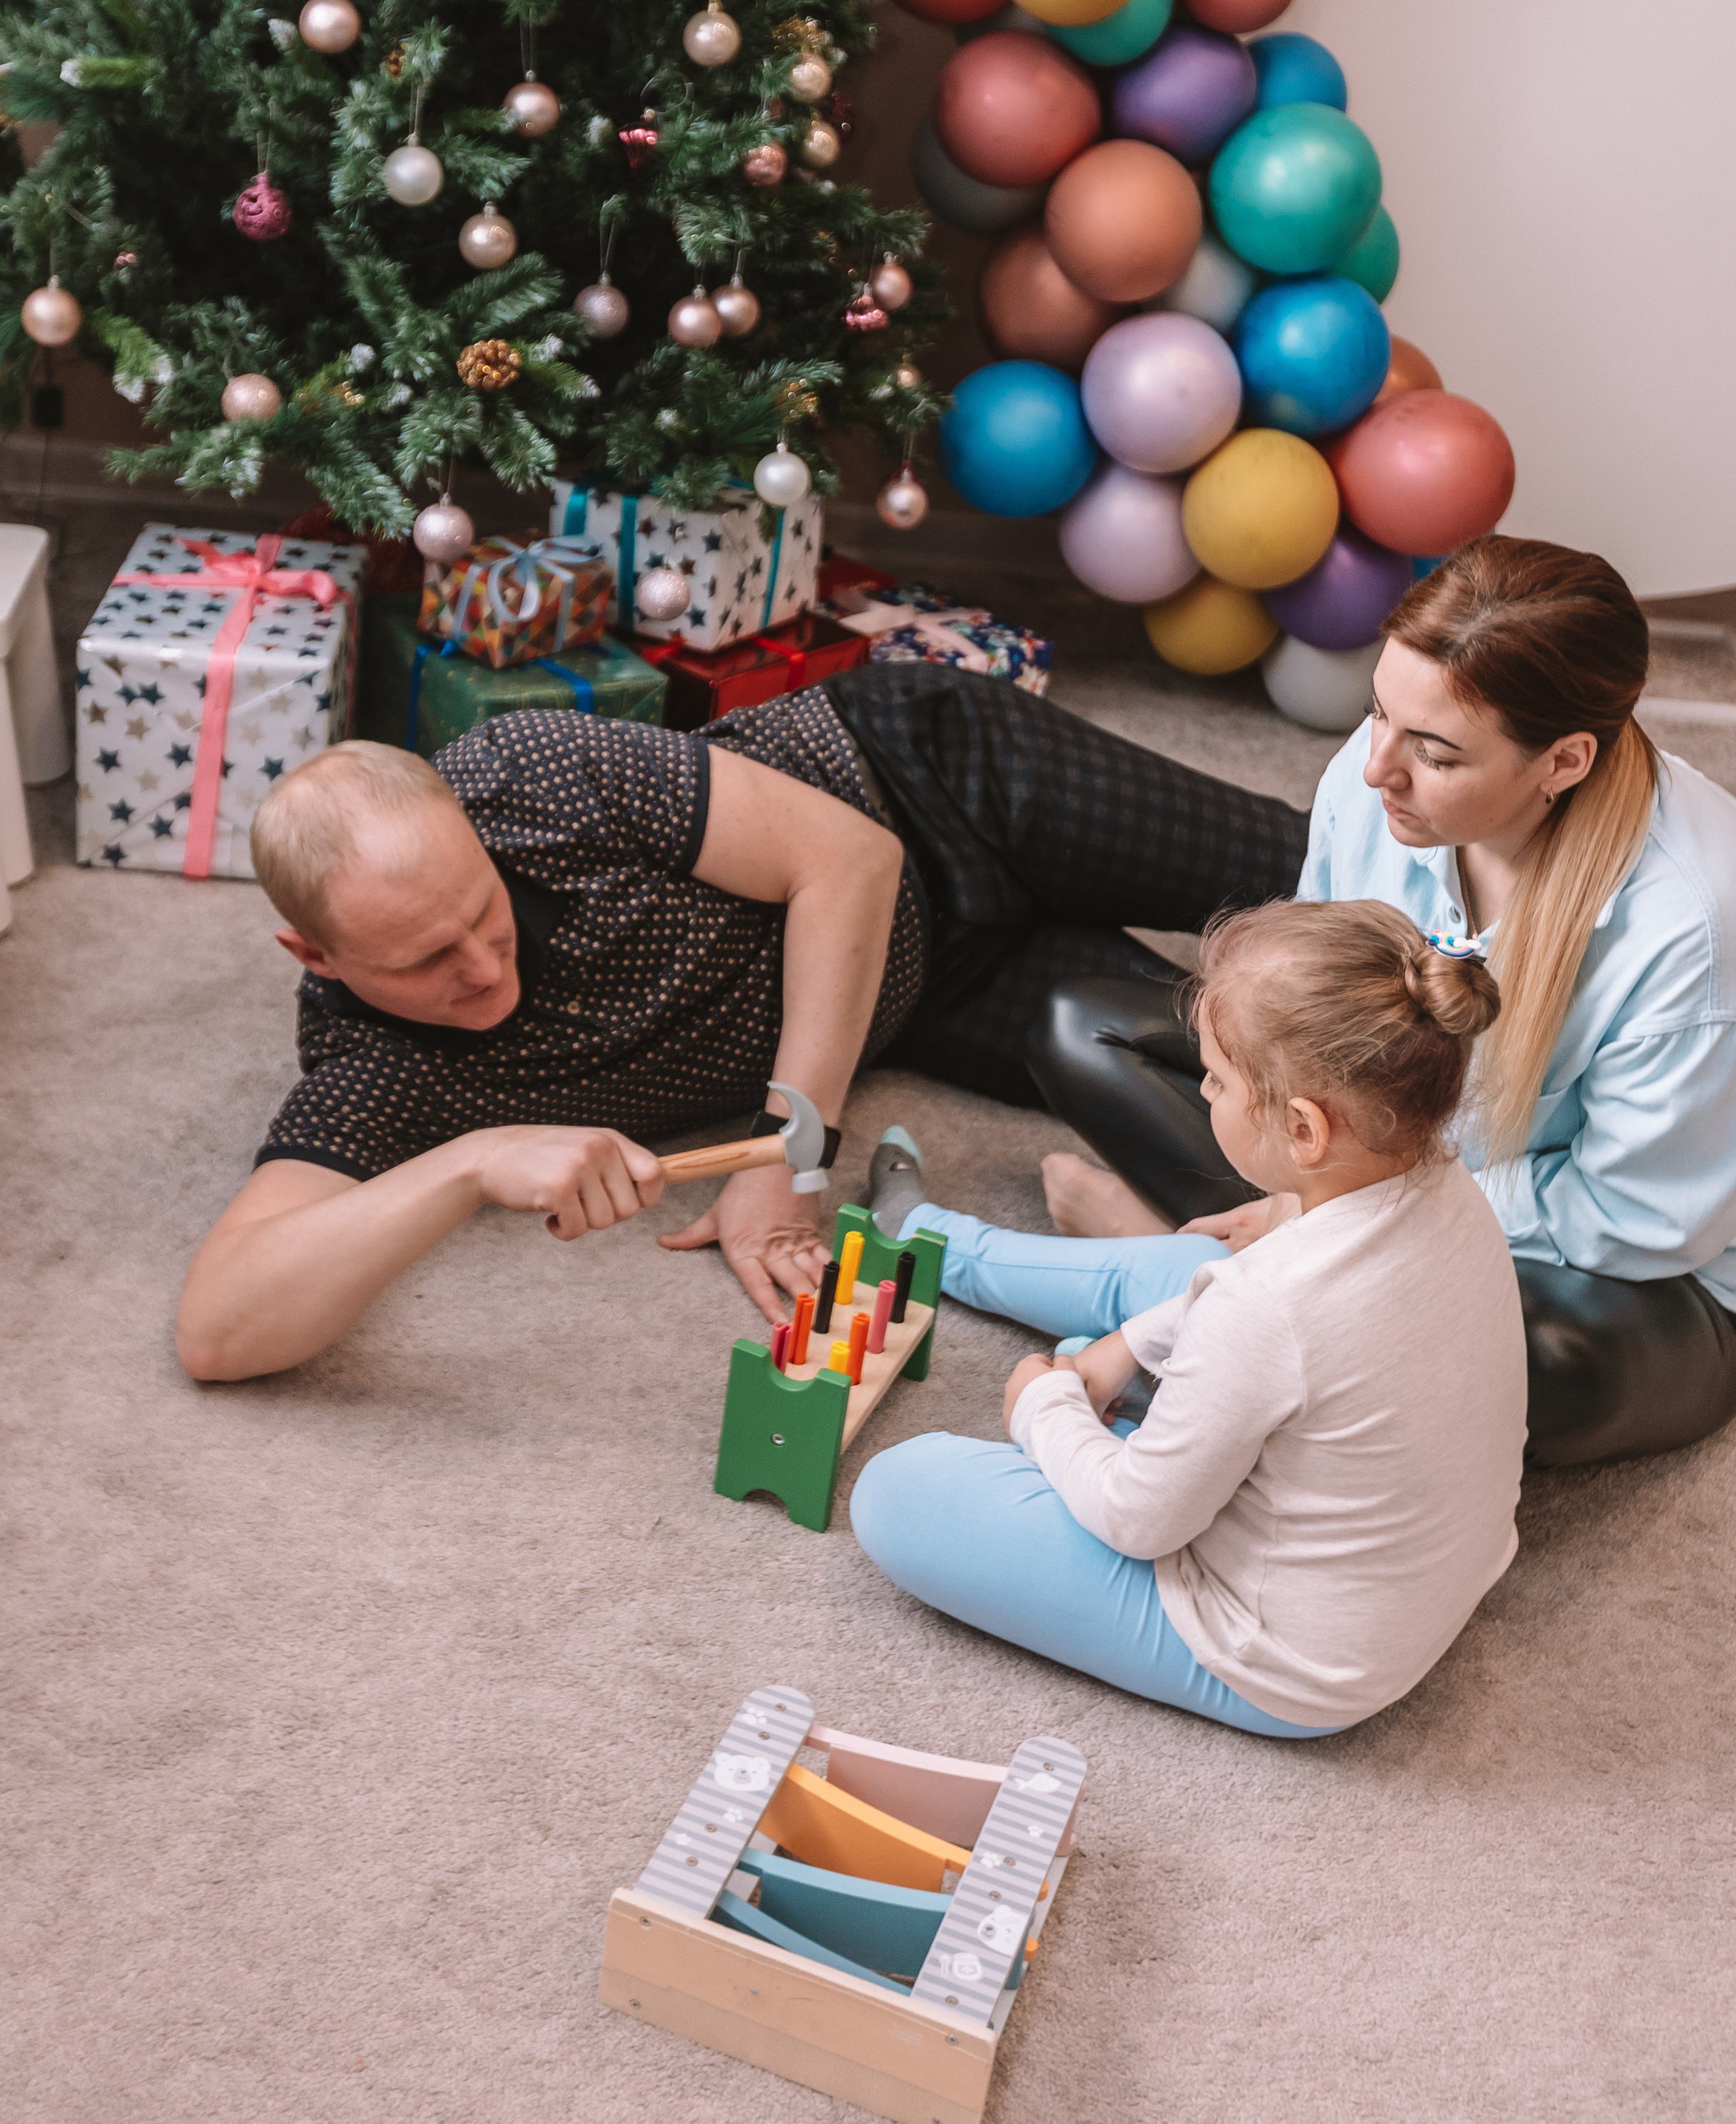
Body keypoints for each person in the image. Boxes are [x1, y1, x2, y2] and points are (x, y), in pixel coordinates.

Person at [175, 665, 1305, 1382]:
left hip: (930, 783)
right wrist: (468, 1165)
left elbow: (849, 859)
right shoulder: (375, 1069)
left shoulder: (532, 771)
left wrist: (791, 1150)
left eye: (482, 910)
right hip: (926, 996)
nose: (481, 967)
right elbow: (219, 1331)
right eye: (424, 960)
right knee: (1274, 1088)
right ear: (314, 956)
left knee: (1322, 888)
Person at [1027, 539, 1736, 1469]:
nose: (1375, 771)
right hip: (1371, 1157)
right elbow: (1308, 1017)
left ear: (1562, 761)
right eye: (1378, 713)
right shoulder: (1373, 785)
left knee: (1558, 1365)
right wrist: (1322, 1196)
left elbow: (1632, 1218)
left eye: (1434, 753)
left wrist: (1337, 1213)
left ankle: (1185, 1277)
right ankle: (1243, 1303)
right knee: (1082, 1030)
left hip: (1617, 1268)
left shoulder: (1694, 929)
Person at [850, 899, 1527, 1734]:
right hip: (1415, 1578)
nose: (1204, 1090)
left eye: (1214, 1079)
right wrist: (1129, 1343)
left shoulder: (1265, 1307)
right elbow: (1293, 1320)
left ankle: (934, 1251)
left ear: (1305, 1129)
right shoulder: (1447, 1183)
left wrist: (1042, 1406)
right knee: (1191, 1271)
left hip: (1289, 1663)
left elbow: (1139, 1521)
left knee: (896, 1491)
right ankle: (930, 1242)